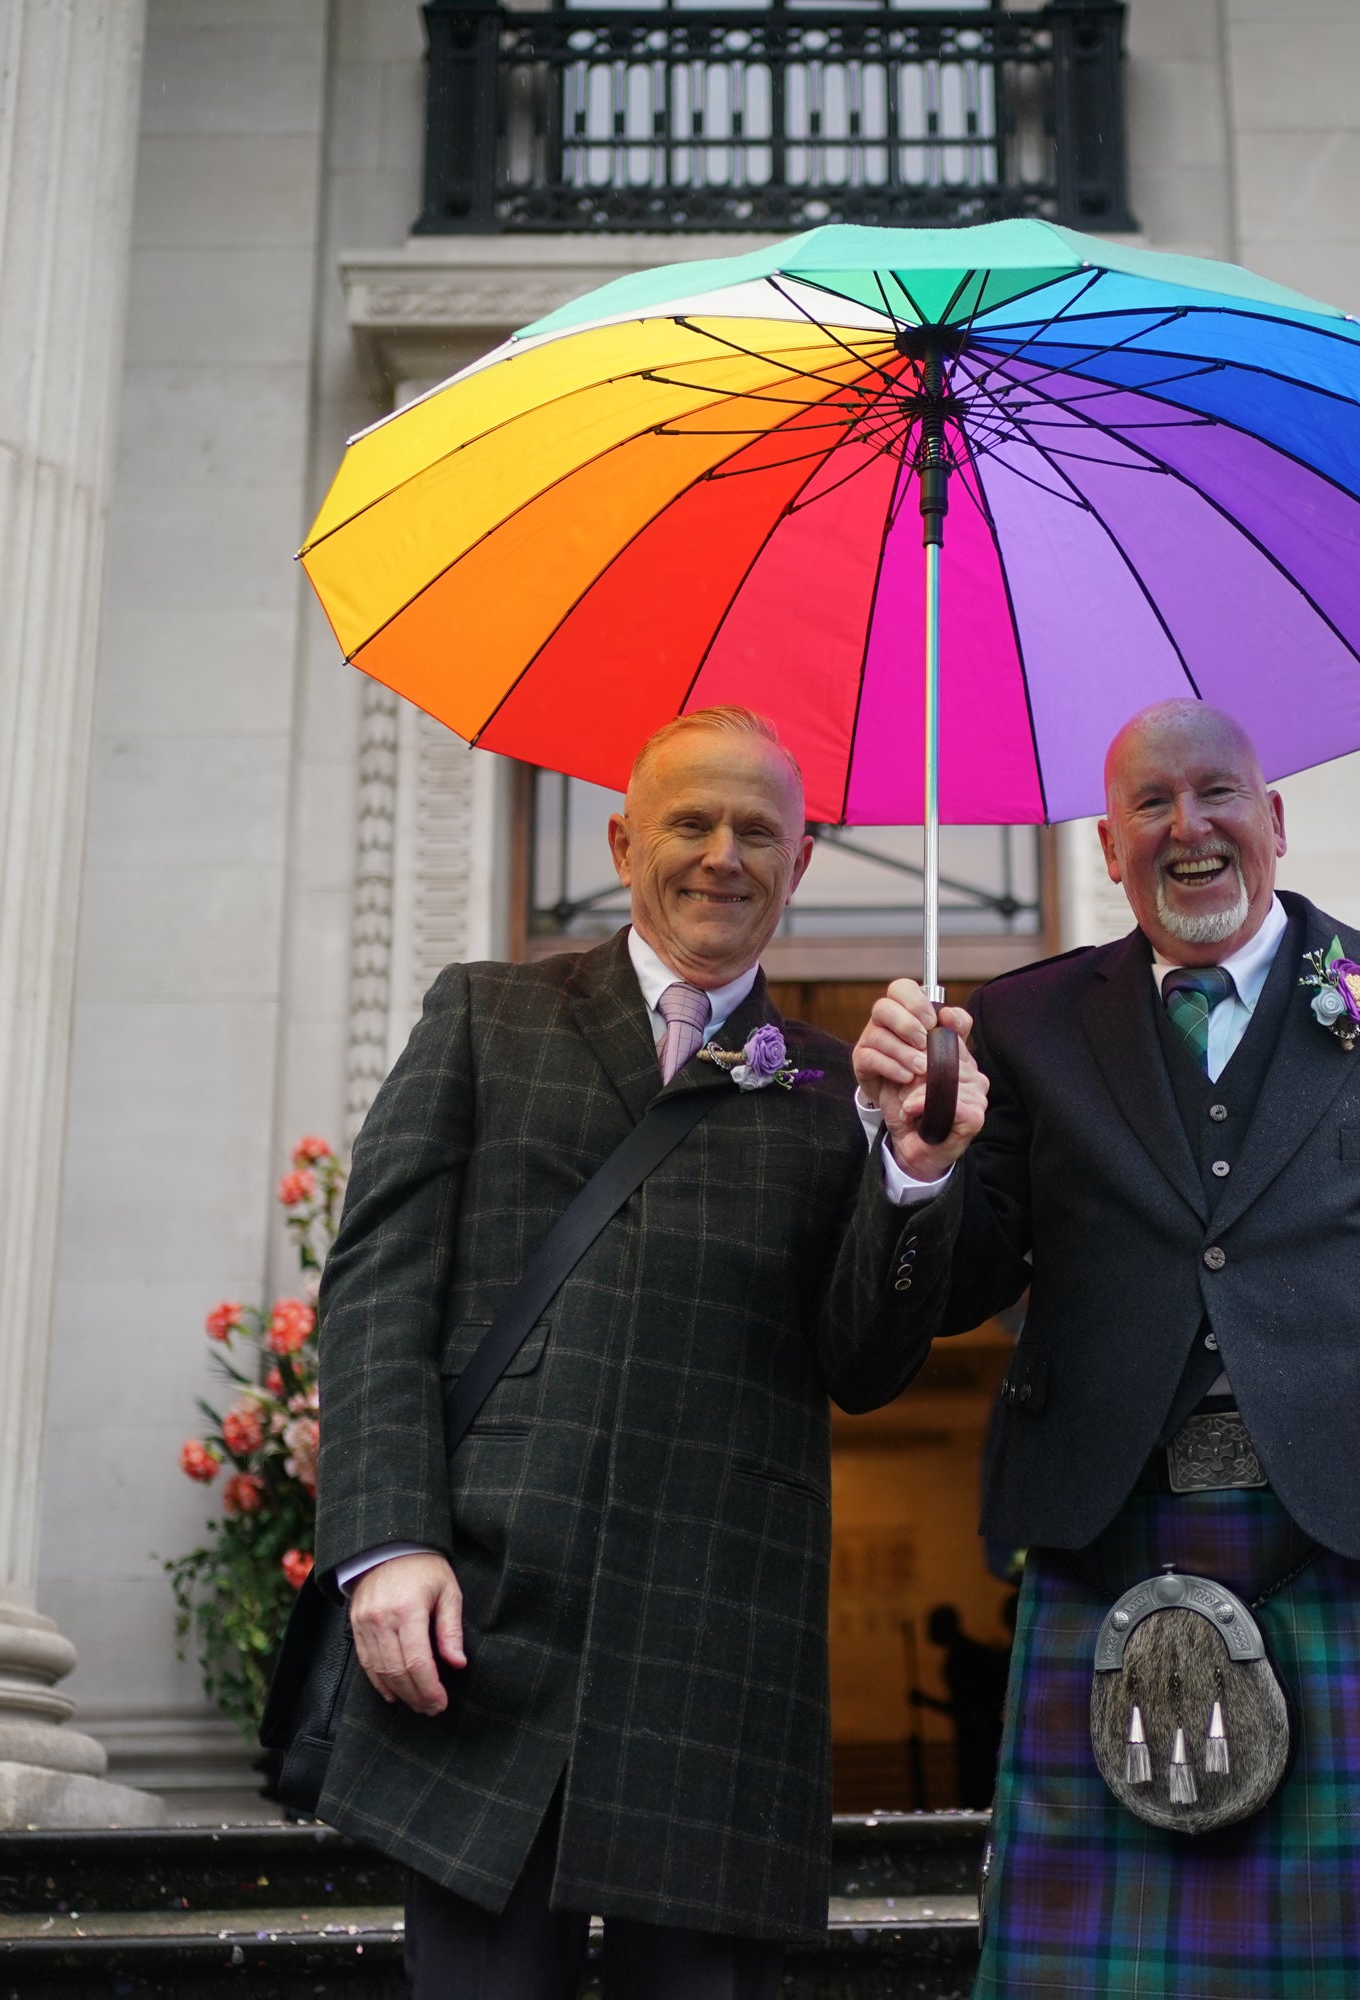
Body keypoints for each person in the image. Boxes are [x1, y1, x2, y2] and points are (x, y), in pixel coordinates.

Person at [847, 699, 1360, 1998]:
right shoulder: (1026, 1026)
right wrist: (920, 1163)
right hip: (1115, 1536)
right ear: (1108, 851)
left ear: (1272, 818)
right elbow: (965, 1287)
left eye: (1215, 793)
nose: (1188, 827)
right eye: (1149, 807)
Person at [314, 707, 975, 2000]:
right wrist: (388, 1545)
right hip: (482, 1628)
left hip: (715, 1650)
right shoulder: (485, 1017)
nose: (724, 854)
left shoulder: (835, 1093)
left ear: (803, 859)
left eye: (760, 831)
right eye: (692, 821)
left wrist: (911, 1170)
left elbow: (865, 1364)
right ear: (622, 841)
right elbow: (378, 1293)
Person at [910, 1602, 1012, 1810]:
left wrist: (926, 1702)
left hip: (979, 1739)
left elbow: (967, 1708)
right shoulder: (967, 1653)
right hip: (979, 1736)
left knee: (977, 1793)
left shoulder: (961, 1657)